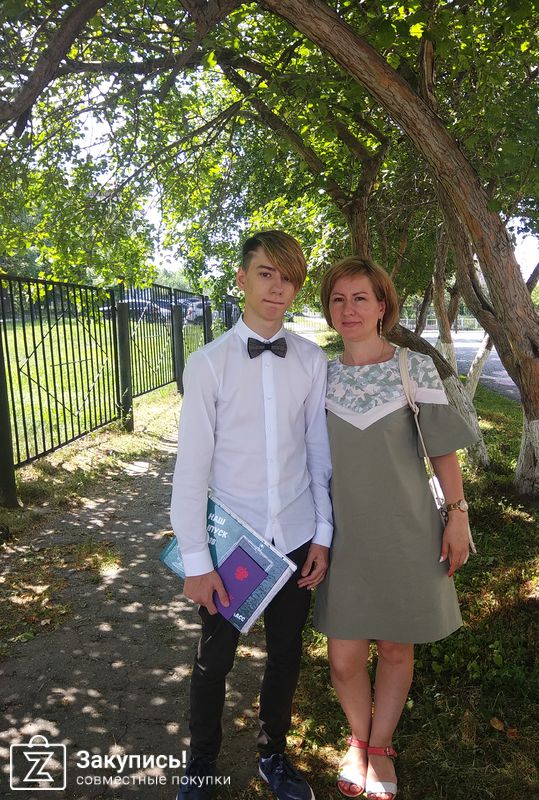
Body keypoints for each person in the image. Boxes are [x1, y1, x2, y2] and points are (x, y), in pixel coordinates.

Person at [170, 230, 333, 800]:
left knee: (285, 655)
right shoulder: (208, 364)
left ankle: (273, 755)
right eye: (266, 273)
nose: (277, 287)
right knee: (214, 660)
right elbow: (191, 469)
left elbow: (318, 454)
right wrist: (197, 561)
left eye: (288, 278)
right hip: (233, 545)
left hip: (295, 535)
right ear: (242, 279)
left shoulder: (311, 360)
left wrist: (323, 534)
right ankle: (201, 763)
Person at [313, 257, 478, 800]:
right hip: (342, 537)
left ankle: (377, 746)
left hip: (407, 532)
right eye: (338, 299)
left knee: (396, 649)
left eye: (360, 297)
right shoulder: (320, 375)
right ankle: (357, 738)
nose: (349, 309)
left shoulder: (413, 367)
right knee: (343, 658)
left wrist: (457, 516)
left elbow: (442, 451)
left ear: (382, 305)